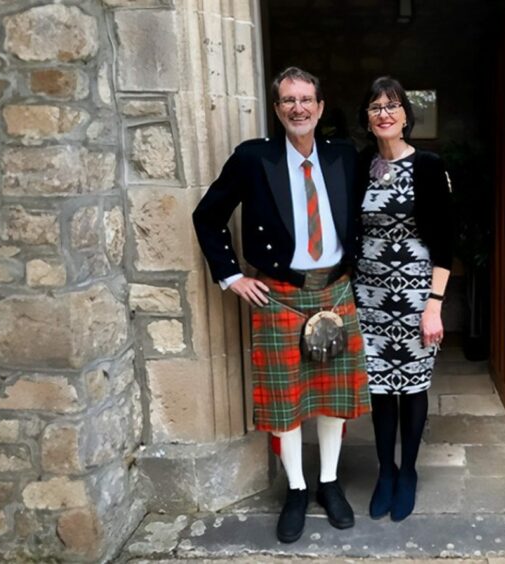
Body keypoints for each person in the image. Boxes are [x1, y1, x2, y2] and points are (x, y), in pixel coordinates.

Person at [192, 67, 371, 543]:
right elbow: (207, 216)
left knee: (333, 399)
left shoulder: (343, 156)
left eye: (306, 99)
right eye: (288, 100)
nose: (298, 108)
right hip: (280, 294)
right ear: (277, 109)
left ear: (320, 106)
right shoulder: (254, 158)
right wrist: (232, 277)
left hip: (334, 289)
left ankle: (329, 482)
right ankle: (295, 488)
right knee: (286, 399)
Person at [353, 76, 453, 522]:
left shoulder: (428, 166)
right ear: (368, 119)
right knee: (379, 387)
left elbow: (446, 241)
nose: (384, 113)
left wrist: (434, 304)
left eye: (392, 106)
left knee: (412, 387)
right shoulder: (360, 166)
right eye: (376, 107)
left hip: (415, 296)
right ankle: (386, 472)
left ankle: (408, 471)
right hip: (368, 297)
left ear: (406, 116)